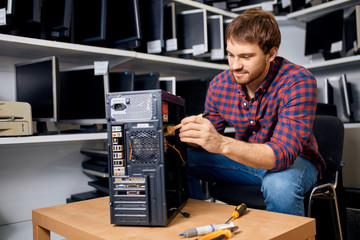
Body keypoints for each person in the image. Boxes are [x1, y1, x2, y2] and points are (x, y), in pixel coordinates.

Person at [178, 8, 325, 217]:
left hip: (296, 161)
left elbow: (281, 155)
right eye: (230, 55)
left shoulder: (298, 81)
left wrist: (220, 143)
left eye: (246, 56)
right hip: (244, 160)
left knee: (279, 185)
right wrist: (192, 134)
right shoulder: (220, 84)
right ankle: (200, 228)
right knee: (180, 159)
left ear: (271, 54)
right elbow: (207, 137)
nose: (235, 66)